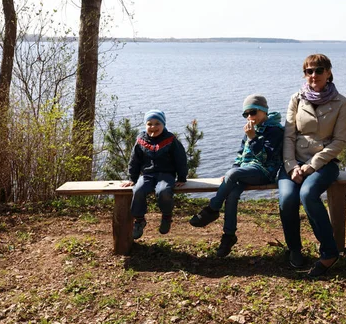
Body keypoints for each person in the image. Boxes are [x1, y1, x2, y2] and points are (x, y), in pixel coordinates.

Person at [278, 54, 346, 278]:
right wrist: (291, 166)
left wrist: (310, 166)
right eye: (309, 71)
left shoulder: (341, 102)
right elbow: (288, 136)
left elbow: (340, 142)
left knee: (308, 194)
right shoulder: (297, 99)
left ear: (328, 72)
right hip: (294, 162)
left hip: (324, 162)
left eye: (319, 70)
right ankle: (295, 250)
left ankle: (329, 253)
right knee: (288, 198)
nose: (314, 75)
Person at [189, 94, 284, 257]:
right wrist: (231, 174)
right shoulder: (250, 129)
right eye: (245, 114)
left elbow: (266, 157)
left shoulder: (275, 130)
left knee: (233, 174)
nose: (249, 117)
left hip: (264, 172)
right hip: (246, 171)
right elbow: (241, 154)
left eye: (252, 112)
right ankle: (228, 236)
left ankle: (212, 208)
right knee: (232, 195)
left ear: (264, 111)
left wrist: (253, 137)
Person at [121, 109, 188, 239]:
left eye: (157, 124)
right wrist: (132, 178)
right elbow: (134, 160)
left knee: (163, 192)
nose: (153, 127)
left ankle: (166, 216)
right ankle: (139, 220)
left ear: (163, 125)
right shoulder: (141, 140)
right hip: (147, 175)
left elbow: (181, 159)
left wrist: (181, 177)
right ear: (145, 126)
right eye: (149, 124)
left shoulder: (170, 140)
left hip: (166, 175)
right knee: (138, 190)